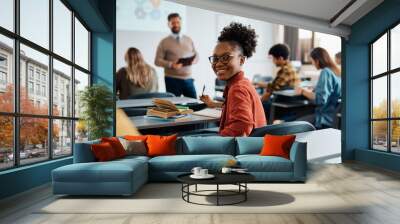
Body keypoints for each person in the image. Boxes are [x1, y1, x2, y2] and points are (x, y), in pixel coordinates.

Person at [200, 22, 266, 136]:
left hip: (244, 150)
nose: (219, 64)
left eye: (225, 58)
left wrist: (214, 142)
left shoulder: (238, 89)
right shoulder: (243, 83)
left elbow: (241, 126)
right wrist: (212, 103)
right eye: (215, 58)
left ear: (241, 60)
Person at [154, 13, 198, 98]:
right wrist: (171, 64)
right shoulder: (164, 42)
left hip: (188, 79)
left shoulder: (188, 39)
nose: (176, 25)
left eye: (178, 22)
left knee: (194, 104)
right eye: (173, 23)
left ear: (181, 23)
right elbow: (157, 61)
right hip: (172, 80)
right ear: (168, 24)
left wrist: (196, 59)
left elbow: (196, 54)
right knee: (173, 107)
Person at [295, 47, 341, 129]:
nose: (312, 63)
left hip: (324, 118)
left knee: (294, 124)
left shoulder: (326, 72)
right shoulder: (337, 72)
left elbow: (320, 99)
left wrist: (303, 91)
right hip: (333, 116)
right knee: (299, 115)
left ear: (317, 60)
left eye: (312, 60)